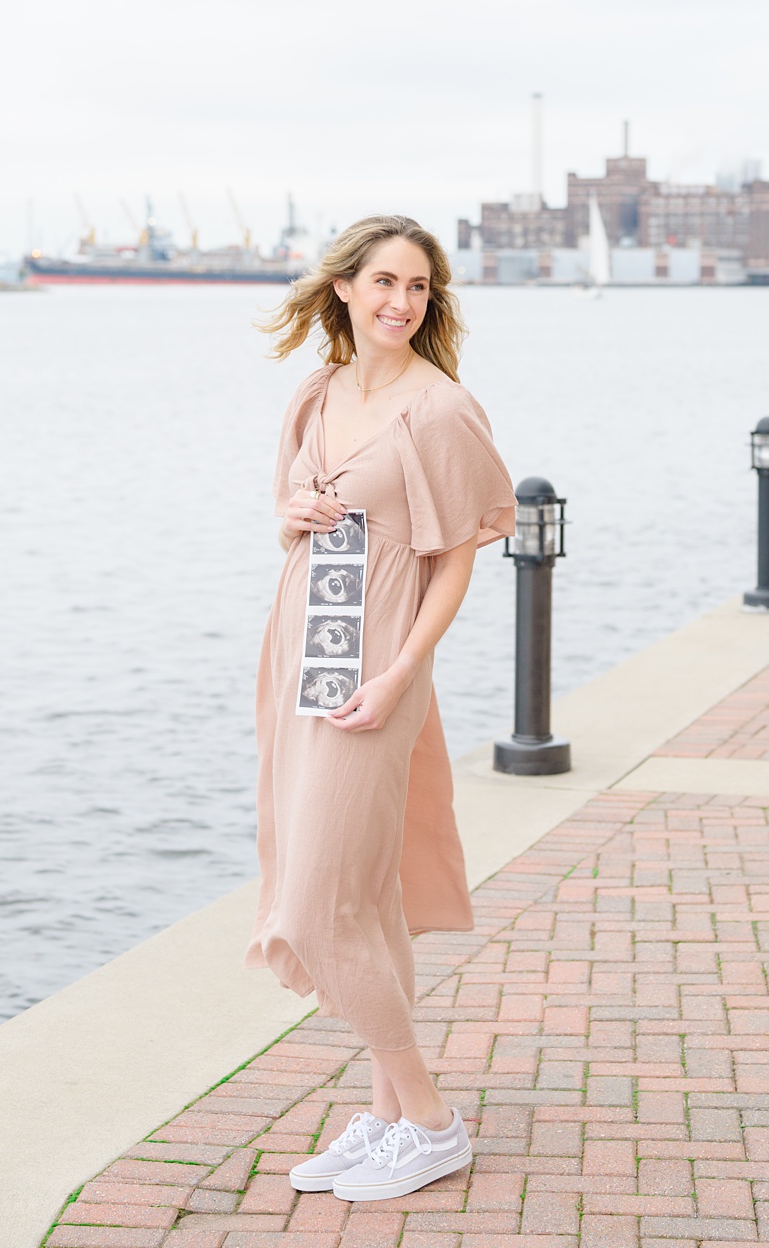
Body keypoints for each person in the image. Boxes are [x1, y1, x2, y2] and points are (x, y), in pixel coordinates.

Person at [249, 216, 515, 1203]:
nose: (402, 301)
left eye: (420, 287)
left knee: (319, 904)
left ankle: (431, 1115)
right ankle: (387, 1115)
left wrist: (403, 670)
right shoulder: (316, 393)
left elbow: (455, 559)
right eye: (385, 282)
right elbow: (288, 514)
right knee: (358, 891)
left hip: (377, 666)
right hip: (303, 651)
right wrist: (289, 515)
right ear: (346, 290)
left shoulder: (439, 410)